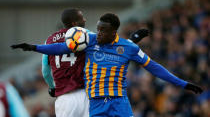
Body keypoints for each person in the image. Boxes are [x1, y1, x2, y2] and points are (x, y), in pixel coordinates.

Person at [11, 13, 202, 117]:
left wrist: (183, 84)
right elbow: (61, 47)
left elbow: (154, 67)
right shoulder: (90, 41)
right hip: (96, 103)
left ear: (114, 32)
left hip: (119, 101)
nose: (98, 33)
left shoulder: (129, 48)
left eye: (103, 30)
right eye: (98, 29)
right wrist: (34, 47)